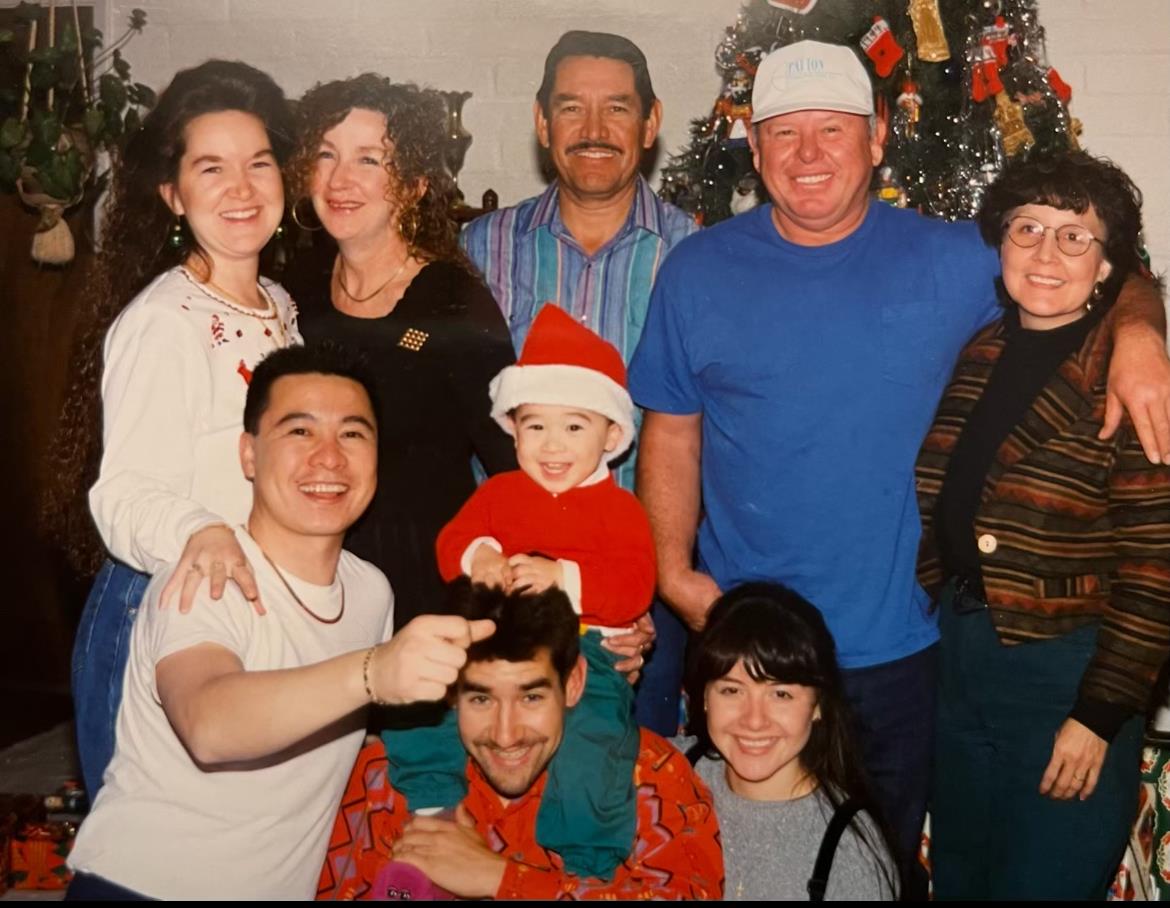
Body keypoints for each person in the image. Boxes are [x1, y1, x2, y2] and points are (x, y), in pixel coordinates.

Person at [629, 38, 1170, 884]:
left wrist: (1140, 330)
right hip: (750, 651)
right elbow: (670, 429)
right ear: (754, 146)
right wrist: (672, 573)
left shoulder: (957, 258)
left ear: (878, 136)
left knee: (883, 872)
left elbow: (1088, 262)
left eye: (834, 129)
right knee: (745, 874)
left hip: (904, 654)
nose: (808, 153)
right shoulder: (697, 270)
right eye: (784, 132)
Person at [65, 343, 495, 901]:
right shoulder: (207, 575)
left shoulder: (370, 591)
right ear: (248, 455)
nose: (329, 457)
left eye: (352, 434)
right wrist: (373, 671)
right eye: (299, 431)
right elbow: (208, 724)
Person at [915, 151, 1170, 900]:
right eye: (1027, 228)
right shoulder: (979, 351)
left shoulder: (1131, 377)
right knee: (960, 876)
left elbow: (1158, 567)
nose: (1046, 253)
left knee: (1045, 882)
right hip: (961, 652)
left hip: (1067, 668)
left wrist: (1098, 715)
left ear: (1107, 265)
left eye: (1074, 235)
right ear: (1001, 244)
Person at [57, 60, 301, 798]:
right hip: (161, 611)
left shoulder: (281, 304)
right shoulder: (165, 321)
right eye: (211, 168)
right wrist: (200, 529)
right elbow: (122, 494)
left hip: (245, 616)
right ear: (172, 194)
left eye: (259, 163)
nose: (241, 188)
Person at [461, 29, 696, 735]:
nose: (594, 130)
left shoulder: (695, 255)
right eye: (571, 108)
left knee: (625, 780)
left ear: (650, 123)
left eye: (617, 108)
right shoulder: (480, 249)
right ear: (542, 122)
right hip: (505, 587)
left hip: (641, 596)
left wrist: (639, 601)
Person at [386, 303, 655, 879]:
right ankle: (432, 802)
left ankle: (585, 862)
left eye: (574, 427)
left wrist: (565, 579)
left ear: (612, 434)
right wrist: (479, 553)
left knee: (595, 738)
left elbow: (635, 588)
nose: (552, 446)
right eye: (535, 427)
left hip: (589, 647)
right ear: (513, 429)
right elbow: (451, 543)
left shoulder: (621, 510)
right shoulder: (499, 493)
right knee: (420, 693)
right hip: (492, 641)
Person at [317, 579, 723, 900]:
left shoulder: (648, 777)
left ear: (574, 683)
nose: (505, 734)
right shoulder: (389, 781)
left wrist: (500, 879)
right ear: (450, 692)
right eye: (480, 699)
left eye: (531, 697)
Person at [284, 74, 516, 631]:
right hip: (309, 577)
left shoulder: (453, 302)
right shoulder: (294, 288)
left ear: (413, 185)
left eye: (369, 160)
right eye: (326, 155)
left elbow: (512, 461)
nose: (339, 179)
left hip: (424, 583)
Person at [680, 582, 898, 901]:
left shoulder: (850, 856)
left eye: (781, 694)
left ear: (818, 705)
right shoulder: (661, 773)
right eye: (732, 690)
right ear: (703, 698)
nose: (754, 720)